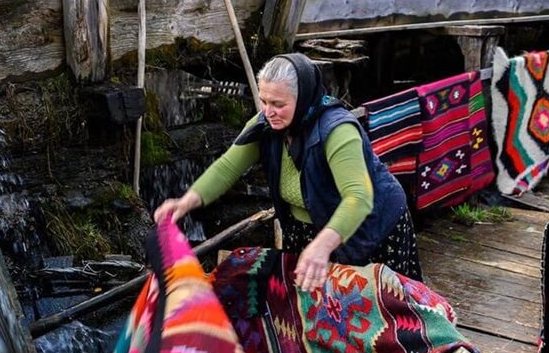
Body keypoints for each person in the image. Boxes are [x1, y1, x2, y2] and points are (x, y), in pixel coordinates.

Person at [153, 53, 422, 291]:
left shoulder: (337, 131)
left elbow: (358, 198)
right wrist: (186, 201)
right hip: (314, 231)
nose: (268, 112)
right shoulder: (266, 126)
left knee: (383, 315)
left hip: (369, 229)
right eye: (263, 101)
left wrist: (322, 245)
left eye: (278, 104)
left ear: (303, 96)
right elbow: (227, 167)